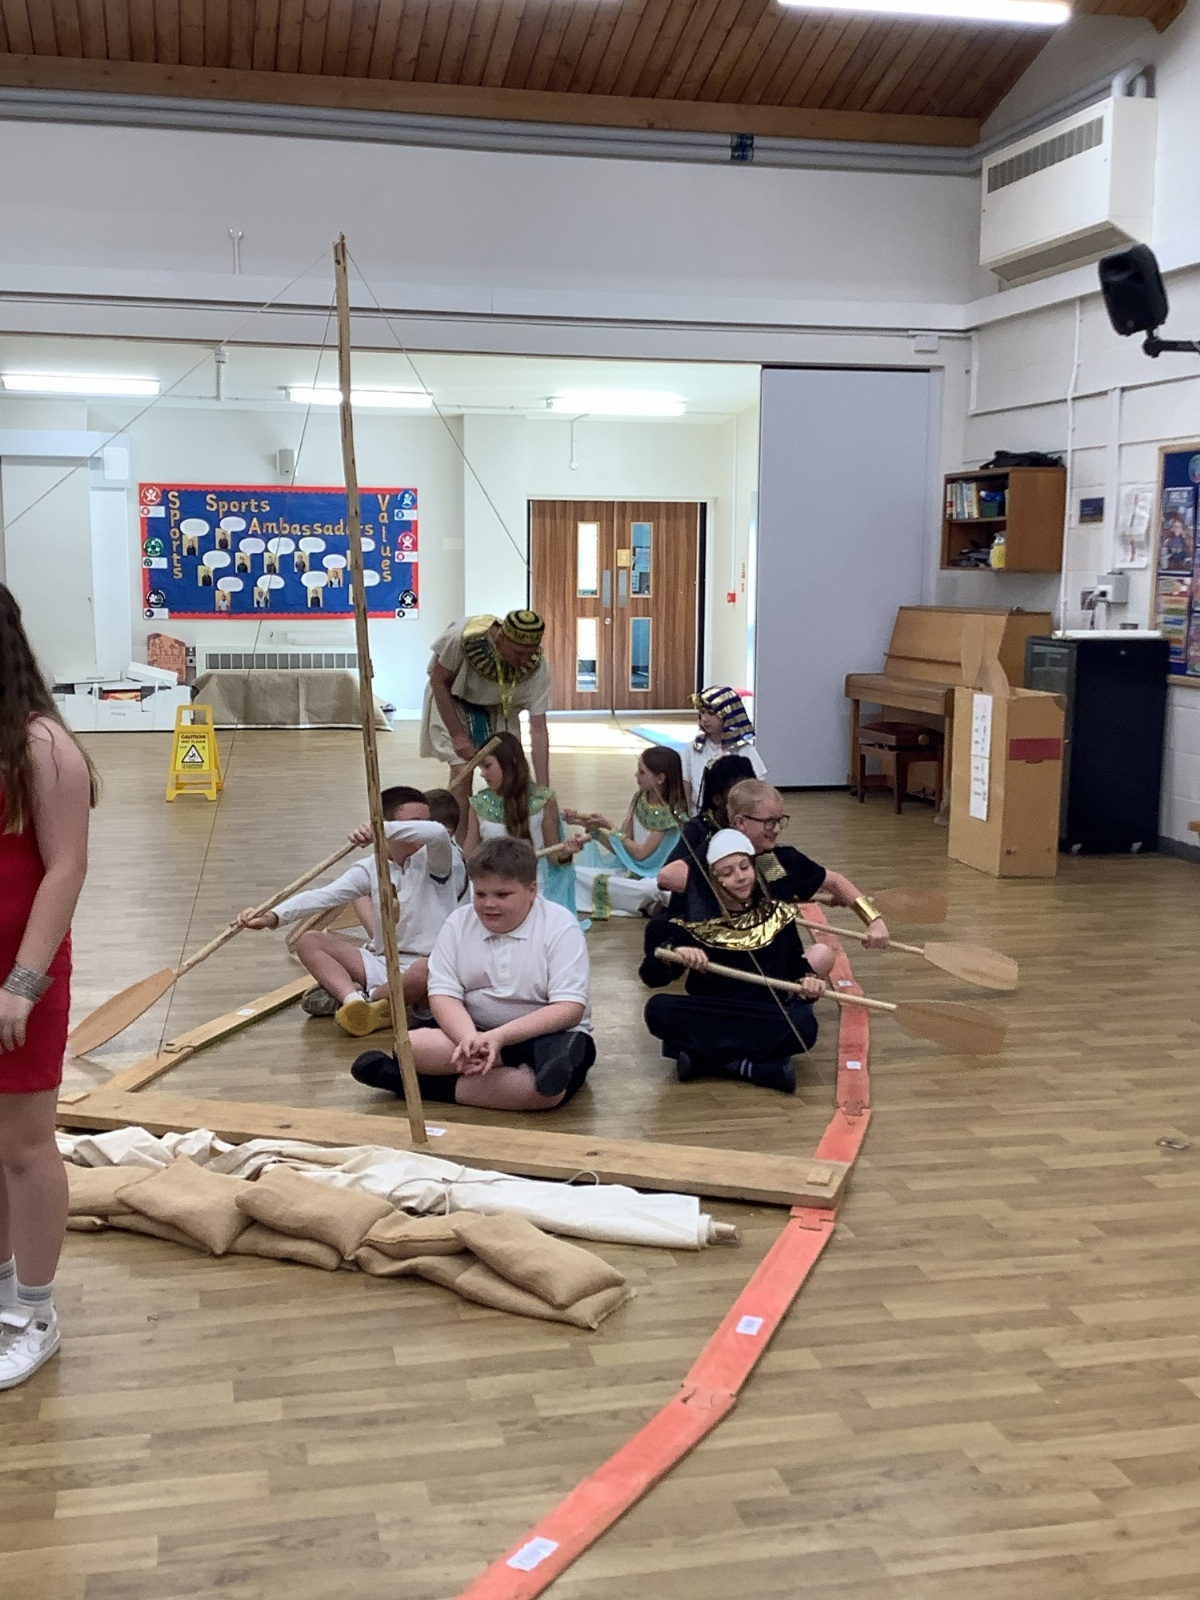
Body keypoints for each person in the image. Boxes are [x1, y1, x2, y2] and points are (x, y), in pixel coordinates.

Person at [0, 583, 97, 1389]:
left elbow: (65, 868)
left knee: (25, 1147)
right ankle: (3, 1293)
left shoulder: (42, 744)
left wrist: (23, 983)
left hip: (16, 974)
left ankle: (35, 1313)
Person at [351, 837, 594, 1112]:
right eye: (480, 894)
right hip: (473, 1030)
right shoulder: (458, 923)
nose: (489, 904)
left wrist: (499, 1038)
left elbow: (569, 1009)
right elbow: (443, 995)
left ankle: (404, 1082)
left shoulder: (561, 926)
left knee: (540, 1092)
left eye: (502, 895)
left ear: (532, 890)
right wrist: (469, 1039)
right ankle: (526, 1056)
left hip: (551, 1032)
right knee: (408, 1047)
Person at [235, 786, 458, 1037]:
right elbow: (323, 896)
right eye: (414, 822)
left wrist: (382, 829)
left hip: (426, 965)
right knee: (308, 941)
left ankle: (372, 999)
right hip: (383, 962)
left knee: (425, 970)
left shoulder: (438, 860)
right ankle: (354, 1002)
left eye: (425, 821)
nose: (422, 828)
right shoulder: (370, 867)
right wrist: (272, 916)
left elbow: (437, 833)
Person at [640, 830, 833, 1094]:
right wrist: (676, 953)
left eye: (745, 867)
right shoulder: (694, 922)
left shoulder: (778, 914)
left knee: (803, 1025)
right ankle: (752, 1066)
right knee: (658, 1009)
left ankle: (709, 1060)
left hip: (762, 1011)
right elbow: (651, 977)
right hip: (715, 1010)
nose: (740, 877)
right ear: (713, 879)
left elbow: (795, 967)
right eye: (727, 872)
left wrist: (807, 981)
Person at [725, 779, 890, 950]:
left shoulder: (779, 860)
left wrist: (875, 921)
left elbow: (834, 881)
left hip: (776, 953)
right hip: (733, 951)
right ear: (740, 822)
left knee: (822, 954)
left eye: (779, 821)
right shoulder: (714, 862)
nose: (777, 829)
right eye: (769, 822)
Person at [420, 610, 552, 788]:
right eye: (518, 653)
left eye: (531, 653)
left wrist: (544, 789)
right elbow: (438, 680)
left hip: (499, 708)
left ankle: (506, 807)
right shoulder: (460, 638)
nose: (524, 661)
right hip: (451, 699)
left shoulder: (538, 667)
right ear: (500, 640)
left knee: (509, 772)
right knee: (463, 770)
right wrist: (458, 736)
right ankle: (460, 807)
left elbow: (538, 727)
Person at [461, 731, 583, 920]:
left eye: (487, 766)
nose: (483, 774)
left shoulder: (543, 800)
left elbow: (554, 857)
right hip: (491, 892)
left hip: (532, 890)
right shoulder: (478, 804)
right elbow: (469, 856)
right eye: (480, 768)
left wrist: (567, 852)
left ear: (510, 763)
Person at [566, 746, 687, 919]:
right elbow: (621, 847)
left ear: (660, 778)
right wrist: (592, 828)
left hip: (653, 876)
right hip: (631, 871)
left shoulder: (670, 815)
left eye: (642, 772)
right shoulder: (639, 798)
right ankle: (648, 905)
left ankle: (651, 901)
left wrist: (609, 826)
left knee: (650, 887)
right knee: (575, 873)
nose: (636, 776)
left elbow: (640, 854)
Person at [656, 752, 757, 917]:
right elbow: (666, 880)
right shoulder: (697, 830)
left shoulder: (753, 826)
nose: (747, 800)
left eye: (751, 793)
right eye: (737, 794)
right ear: (717, 799)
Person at [682, 687, 765, 813]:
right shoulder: (693, 749)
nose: (704, 719)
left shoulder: (744, 751)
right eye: (702, 713)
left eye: (711, 713)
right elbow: (686, 783)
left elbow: (757, 788)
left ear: (728, 715)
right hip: (699, 814)